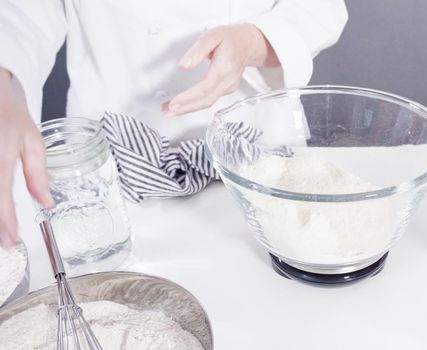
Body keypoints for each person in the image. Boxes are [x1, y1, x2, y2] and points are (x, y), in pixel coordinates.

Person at [0, 1, 348, 247]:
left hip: (258, 157)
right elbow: (19, 13)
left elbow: (322, 7)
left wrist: (253, 41)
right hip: (113, 173)